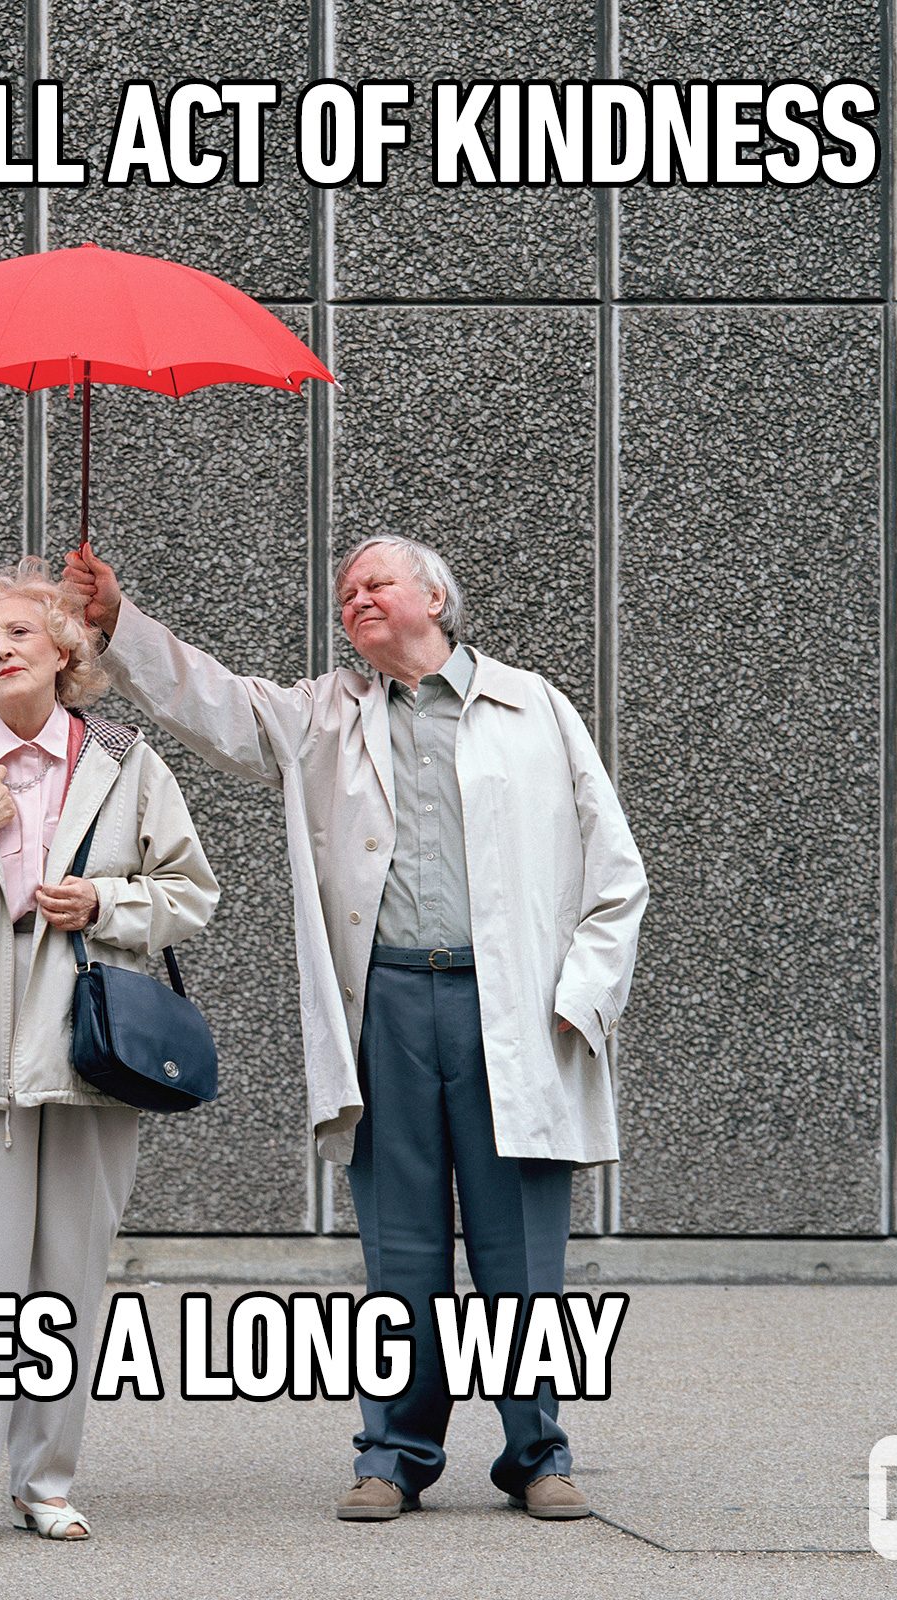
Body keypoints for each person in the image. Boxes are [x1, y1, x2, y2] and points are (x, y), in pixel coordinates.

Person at [63, 535, 647, 1523]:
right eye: (344, 594)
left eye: (375, 583)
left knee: (519, 1252)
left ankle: (537, 1450)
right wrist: (117, 622)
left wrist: (580, 997)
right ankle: (394, 1452)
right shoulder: (325, 715)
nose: (356, 600)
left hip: (510, 1010)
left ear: (434, 596)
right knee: (400, 1247)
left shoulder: (532, 707)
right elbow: (216, 703)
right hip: (385, 1008)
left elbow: (616, 871)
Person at [0, 556, 218, 1549]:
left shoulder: (126, 764)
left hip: (86, 1048)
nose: (0, 650)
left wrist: (107, 902)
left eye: (20, 632)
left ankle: (45, 1478)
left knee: (68, 1273)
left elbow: (191, 892)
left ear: (63, 651)